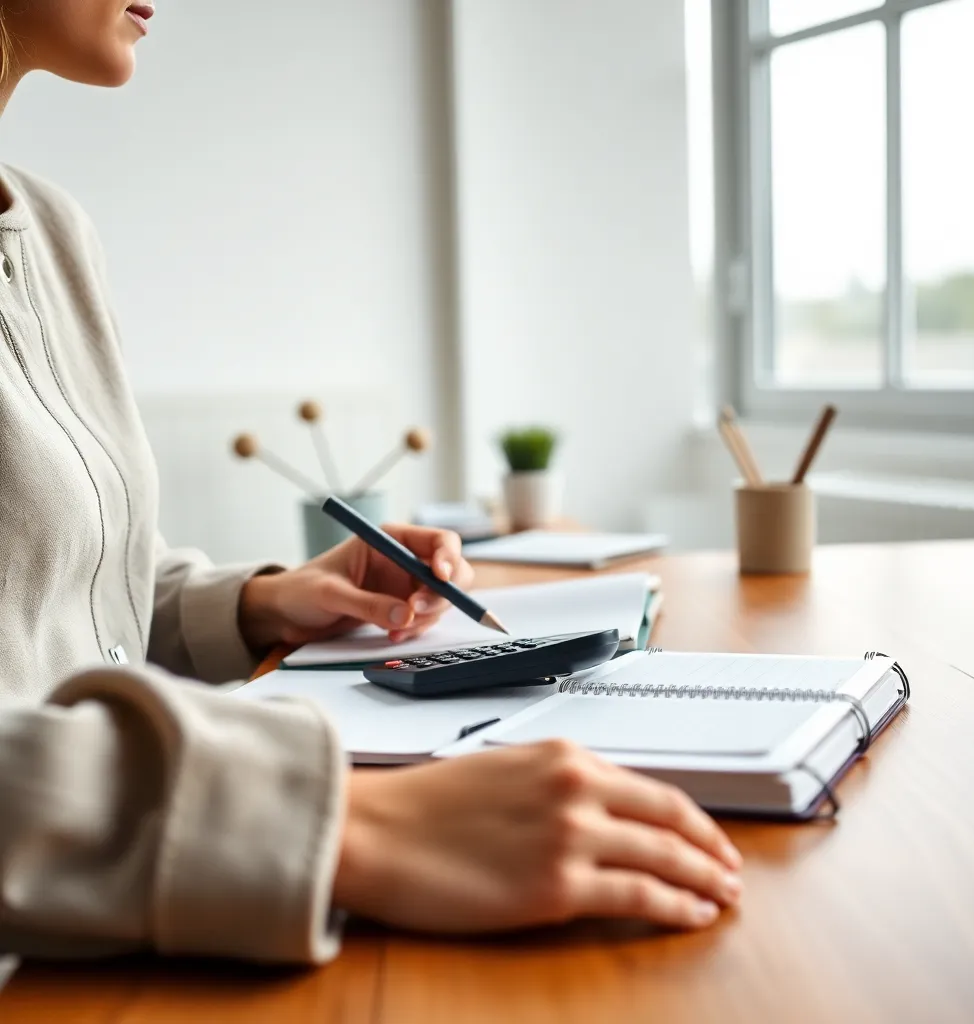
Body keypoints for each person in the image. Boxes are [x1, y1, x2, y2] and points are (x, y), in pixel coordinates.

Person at [0, 1, 743, 964]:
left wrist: (262, 601)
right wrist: (337, 824)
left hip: (115, 924)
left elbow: (65, 600)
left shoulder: (53, 232)